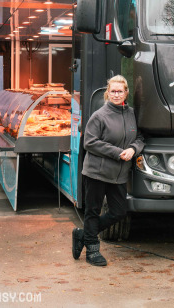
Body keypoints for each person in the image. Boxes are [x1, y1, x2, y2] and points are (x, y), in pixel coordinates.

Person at [72, 75, 144, 266]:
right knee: (92, 211)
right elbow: (90, 142)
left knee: (119, 212)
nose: (116, 94)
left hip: (119, 174)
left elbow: (141, 138)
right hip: (96, 172)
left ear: (126, 92)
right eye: (113, 91)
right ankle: (92, 251)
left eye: (120, 91)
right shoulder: (99, 116)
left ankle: (83, 234)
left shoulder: (132, 115)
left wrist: (133, 149)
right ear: (107, 93)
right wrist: (118, 152)